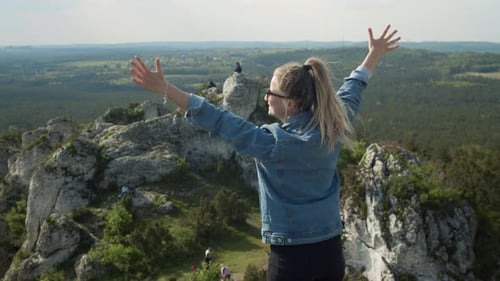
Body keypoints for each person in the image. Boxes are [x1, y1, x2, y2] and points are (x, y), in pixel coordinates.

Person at [130, 25, 400, 281]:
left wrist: (165, 88)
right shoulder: (334, 125)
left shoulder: (272, 143)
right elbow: (353, 89)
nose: (266, 96)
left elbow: (219, 119)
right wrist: (373, 54)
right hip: (331, 254)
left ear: (291, 104)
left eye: (272, 92)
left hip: (292, 260)